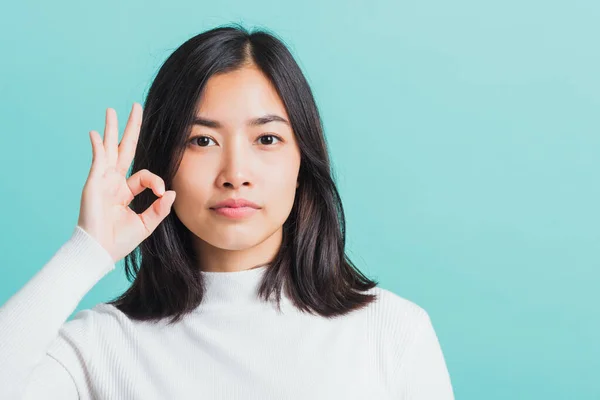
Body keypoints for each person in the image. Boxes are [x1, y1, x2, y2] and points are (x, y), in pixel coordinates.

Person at [0, 24, 455, 399]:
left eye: (267, 139)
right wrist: (88, 250)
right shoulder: (100, 347)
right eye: (203, 141)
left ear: (303, 161)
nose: (236, 174)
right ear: (164, 163)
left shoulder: (393, 334)